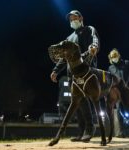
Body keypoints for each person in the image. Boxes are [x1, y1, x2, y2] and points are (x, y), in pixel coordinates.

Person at [50, 10, 100, 142]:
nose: (73, 20)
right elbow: (64, 57)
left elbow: (94, 40)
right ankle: (82, 131)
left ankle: (90, 129)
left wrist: (94, 47)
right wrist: (55, 70)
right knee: (76, 102)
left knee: (83, 100)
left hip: (87, 70)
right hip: (72, 73)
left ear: (81, 18)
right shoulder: (69, 38)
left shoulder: (89, 29)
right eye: (70, 19)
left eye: (75, 18)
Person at [108, 48, 129, 137]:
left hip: (127, 91)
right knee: (119, 112)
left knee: (127, 109)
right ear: (110, 58)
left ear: (118, 56)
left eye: (115, 56)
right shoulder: (110, 68)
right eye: (113, 57)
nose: (114, 58)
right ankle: (121, 132)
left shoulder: (126, 63)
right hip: (117, 93)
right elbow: (110, 80)